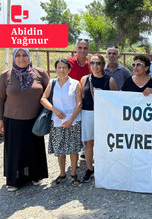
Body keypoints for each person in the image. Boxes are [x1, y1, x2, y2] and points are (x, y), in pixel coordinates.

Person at [0, 48, 49, 192]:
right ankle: (14, 180)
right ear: (14, 57)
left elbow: (49, 92)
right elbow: (0, 98)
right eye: (18, 55)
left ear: (29, 56)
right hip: (13, 119)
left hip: (35, 119)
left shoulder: (40, 73)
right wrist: (0, 119)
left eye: (25, 55)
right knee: (15, 150)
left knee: (34, 149)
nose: (22, 58)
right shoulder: (5, 75)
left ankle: (35, 176)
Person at [41, 59, 83, 187]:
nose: (62, 70)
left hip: (73, 121)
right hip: (57, 121)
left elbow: (79, 103)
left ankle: (74, 173)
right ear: (55, 69)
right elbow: (43, 98)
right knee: (60, 149)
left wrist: (71, 120)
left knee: (73, 148)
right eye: (59, 67)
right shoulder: (52, 83)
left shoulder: (75, 83)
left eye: (64, 67)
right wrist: (54, 109)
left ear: (69, 70)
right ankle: (62, 173)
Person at [79, 54, 117, 183]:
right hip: (88, 113)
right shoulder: (84, 79)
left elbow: (115, 100)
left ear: (103, 65)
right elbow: (82, 97)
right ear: (89, 65)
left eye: (98, 63)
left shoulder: (110, 80)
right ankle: (90, 168)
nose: (95, 66)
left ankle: (105, 167)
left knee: (104, 142)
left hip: (104, 115)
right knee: (89, 142)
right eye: (93, 63)